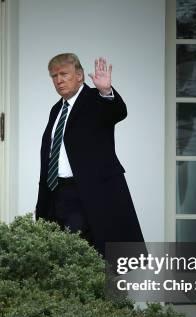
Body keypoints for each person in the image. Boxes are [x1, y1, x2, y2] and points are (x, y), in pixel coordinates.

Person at [35, 53, 143, 256]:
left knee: (91, 253)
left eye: (64, 74)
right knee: (59, 253)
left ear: (80, 75)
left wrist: (106, 91)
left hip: (89, 192)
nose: (58, 80)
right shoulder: (56, 109)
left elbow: (117, 112)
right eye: (54, 76)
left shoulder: (96, 100)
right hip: (57, 192)